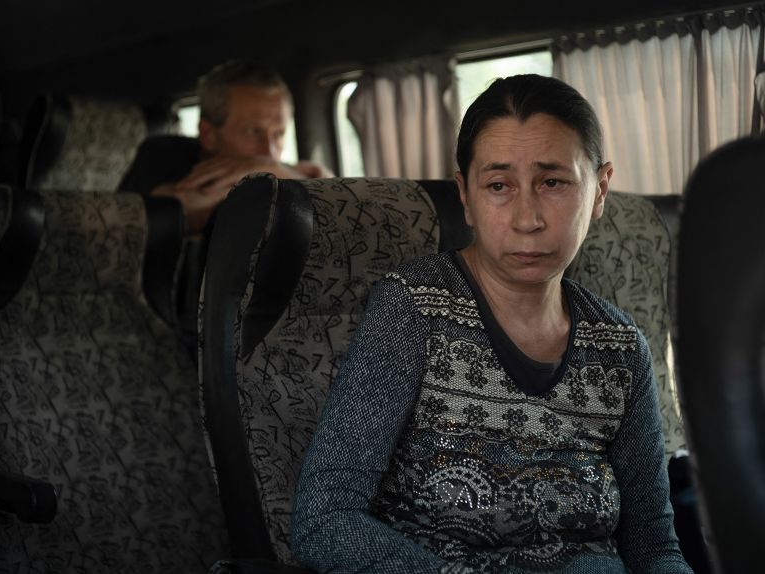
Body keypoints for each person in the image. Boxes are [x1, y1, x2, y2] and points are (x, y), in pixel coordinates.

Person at [290, 74, 693, 573]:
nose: (528, 218)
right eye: (498, 185)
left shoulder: (620, 347)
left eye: (553, 182)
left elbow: (654, 545)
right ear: (466, 195)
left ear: (600, 189)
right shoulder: (415, 308)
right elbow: (325, 519)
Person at [119, 59, 332, 232]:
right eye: (253, 131)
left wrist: (268, 172)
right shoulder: (162, 154)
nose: (270, 151)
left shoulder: (273, 166)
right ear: (208, 135)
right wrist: (277, 176)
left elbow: (337, 203)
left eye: (279, 134)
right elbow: (172, 212)